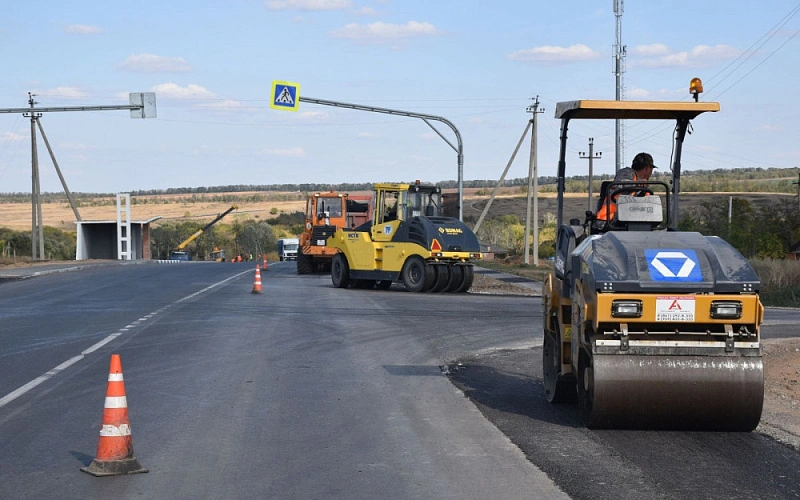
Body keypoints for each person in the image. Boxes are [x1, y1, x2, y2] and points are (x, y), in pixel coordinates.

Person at [596, 152, 658, 222]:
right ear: (647, 168)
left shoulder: (644, 190)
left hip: (631, 221)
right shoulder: (627, 172)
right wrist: (639, 182)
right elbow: (622, 184)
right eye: (651, 169)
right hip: (609, 220)